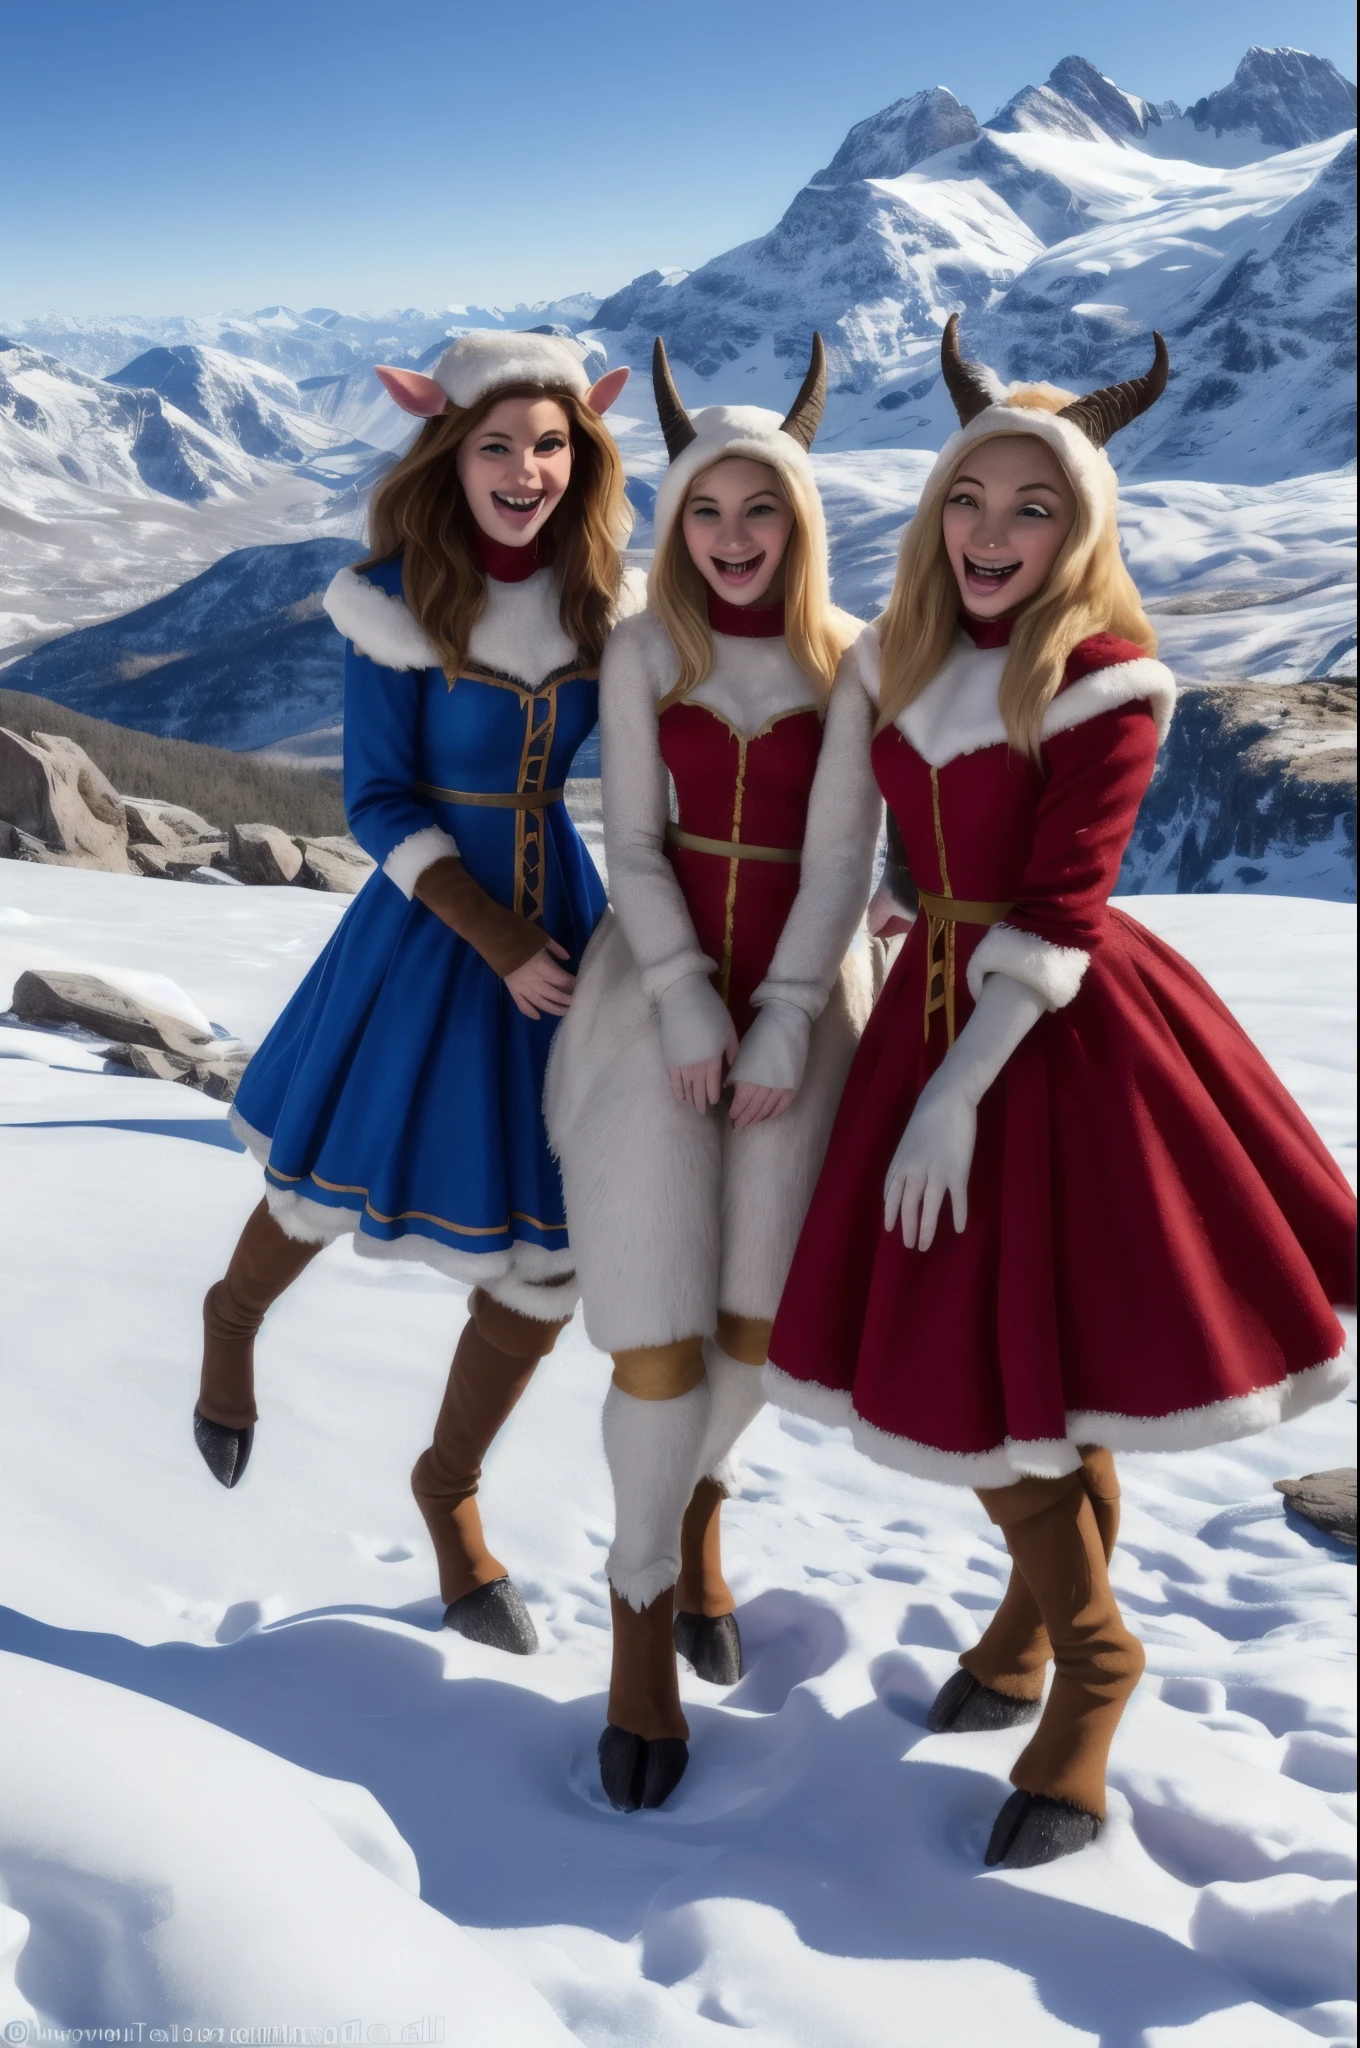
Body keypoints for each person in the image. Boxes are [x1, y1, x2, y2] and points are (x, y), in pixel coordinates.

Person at [766, 317, 1357, 1868]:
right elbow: (877, 851)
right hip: (938, 1011)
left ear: (1083, 529)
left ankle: (1096, 1663)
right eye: (972, 498)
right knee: (1026, 1367)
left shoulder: (1107, 682)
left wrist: (955, 1088)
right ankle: (1040, 1633)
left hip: (1054, 1036)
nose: (993, 533)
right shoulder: (906, 658)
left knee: (989, 1365)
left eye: (1035, 508)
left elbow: (1067, 904)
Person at [195, 330, 633, 1656]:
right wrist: (493, 936)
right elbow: (376, 799)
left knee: (551, 1253)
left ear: (582, 455)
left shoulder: (607, 594)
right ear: (450, 451)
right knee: (322, 1176)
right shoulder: (389, 600)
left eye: (550, 445)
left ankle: (447, 1494)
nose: (525, 469)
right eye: (498, 444)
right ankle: (232, 1319)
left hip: (568, 925)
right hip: (434, 934)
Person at [547, 336, 880, 1809]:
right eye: (706, 512)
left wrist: (794, 1012)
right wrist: (688, 1002)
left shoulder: (854, 657)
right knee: (658, 1333)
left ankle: (693, 1525)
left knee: (754, 1330)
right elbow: (628, 847)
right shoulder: (642, 650)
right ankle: (636, 1625)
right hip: (655, 997)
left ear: (799, 522)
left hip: (808, 1007)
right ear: (673, 520)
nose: (734, 539)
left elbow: (843, 854)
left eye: (762, 513)